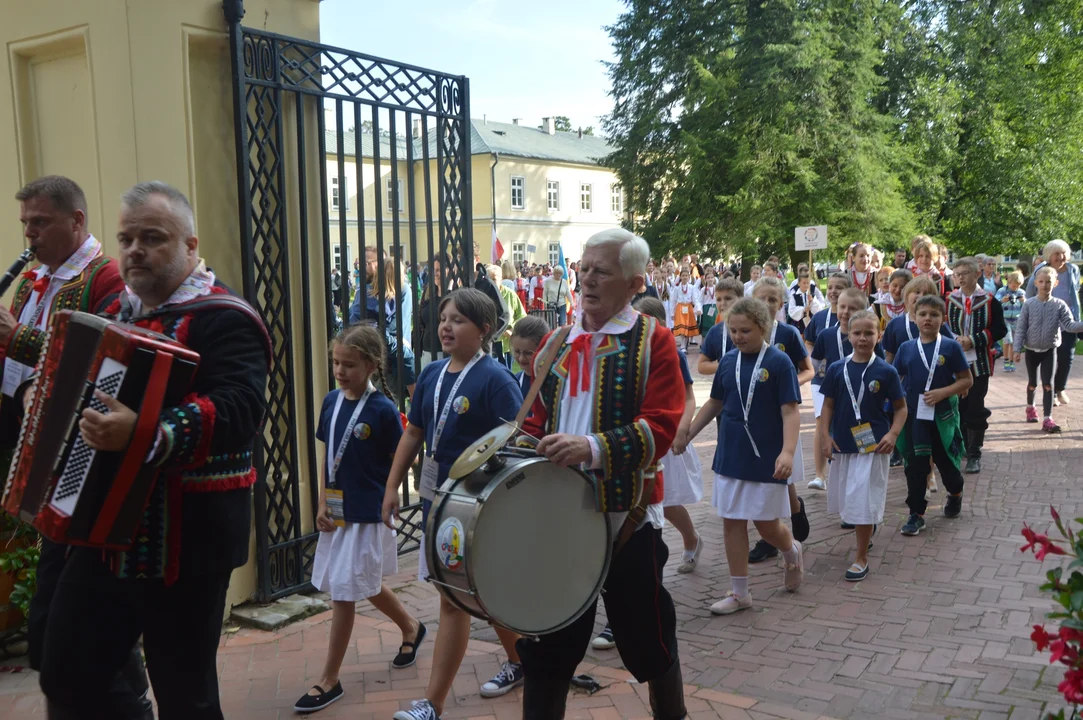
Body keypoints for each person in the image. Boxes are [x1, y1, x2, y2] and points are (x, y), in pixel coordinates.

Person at [37, 182, 270, 719]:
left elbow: (239, 410)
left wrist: (146, 433)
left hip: (188, 541)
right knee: (66, 670)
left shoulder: (227, 318)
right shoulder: (116, 311)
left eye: (152, 237)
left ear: (191, 246)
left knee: (186, 695)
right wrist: (39, 395)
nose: (134, 249)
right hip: (104, 528)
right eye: (125, 238)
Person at [516, 228, 686, 719]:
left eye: (601, 271)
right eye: (583, 268)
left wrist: (589, 448)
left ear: (634, 285)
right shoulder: (556, 341)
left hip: (626, 517)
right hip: (558, 520)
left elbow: (662, 427)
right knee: (548, 645)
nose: (587, 279)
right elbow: (534, 420)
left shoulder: (654, 341)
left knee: (647, 638)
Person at [0, 176, 144, 717]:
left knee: (78, 613)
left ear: (76, 221)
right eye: (26, 225)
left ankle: (126, 691)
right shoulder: (33, 279)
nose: (30, 235)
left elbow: (96, 356)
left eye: (40, 223)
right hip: (32, 446)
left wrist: (16, 337)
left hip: (79, 457)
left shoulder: (104, 276)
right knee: (59, 609)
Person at [382, 289, 526, 720]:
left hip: (476, 508)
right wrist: (393, 487)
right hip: (437, 504)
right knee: (473, 594)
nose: (446, 326)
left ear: (483, 330)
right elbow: (415, 433)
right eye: (444, 318)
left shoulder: (496, 379)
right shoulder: (430, 375)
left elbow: (515, 442)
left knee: (455, 598)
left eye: (458, 320)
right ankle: (523, 661)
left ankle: (433, 703)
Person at [295, 325, 424, 714]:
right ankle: (411, 627)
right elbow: (327, 457)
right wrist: (321, 502)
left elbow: (402, 458)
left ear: (370, 365)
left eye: (349, 364)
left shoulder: (383, 410)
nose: (339, 370)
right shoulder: (331, 402)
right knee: (359, 582)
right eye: (336, 362)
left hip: (367, 511)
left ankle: (329, 679)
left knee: (344, 590)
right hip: (336, 508)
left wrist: (390, 493)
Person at [687, 297, 805, 615]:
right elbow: (714, 403)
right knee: (732, 522)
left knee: (767, 526)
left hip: (767, 455)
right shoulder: (727, 361)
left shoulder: (779, 363)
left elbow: (791, 411)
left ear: (763, 328)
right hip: (731, 454)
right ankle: (740, 593)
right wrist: (687, 434)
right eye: (734, 330)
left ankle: (791, 549)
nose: (739, 337)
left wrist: (787, 452)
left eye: (746, 331)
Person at [818, 310, 906, 580]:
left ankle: (861, 558)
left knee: (863, 500)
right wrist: (825, 435)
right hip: (844, 443)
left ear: (879, 336)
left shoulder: (886, 371)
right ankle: (865, 532)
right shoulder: (836, 369)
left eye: (869, 333)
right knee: (850, 500)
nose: (863, 338)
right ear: (849, 336)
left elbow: (901, 409)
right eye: (857, 333)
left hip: (873, 445)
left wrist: (893, 434)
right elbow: (828, 406)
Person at [893, 295, 972, 535]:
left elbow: (966, 380)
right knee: (915, 466)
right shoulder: (906, 348)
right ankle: (916, 514)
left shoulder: (950, 346)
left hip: (942, 417)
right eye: (923, 314)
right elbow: (895, 379)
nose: (928, 318)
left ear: (943, 318)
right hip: (915, 418)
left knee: (948, 465)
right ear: (914, 318)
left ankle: (955, 493)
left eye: (934, 314)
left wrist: (943, 393)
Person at [634, 296, 703, 573]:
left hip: (667, 435)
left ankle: (691, 539)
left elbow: (689, 399)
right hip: (642, 433)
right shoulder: (634, 352)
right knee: (647, 499)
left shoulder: (673, 353)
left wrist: (681, 431)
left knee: (670, 500)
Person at [746, 277, 812, 562]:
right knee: (763, 473)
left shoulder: (788, 334)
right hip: (756, 416)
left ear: (781, 305)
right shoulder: (745, 335)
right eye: (762, 298)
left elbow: (807, 369)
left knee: (780, 472)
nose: (767, 304)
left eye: (773, 300)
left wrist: (790, 386)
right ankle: (770, 535)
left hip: (783, 414)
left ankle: (793, 509)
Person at [945, 257, 1006, 474]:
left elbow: (1000, 330)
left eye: (964, 273)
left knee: (975, 406)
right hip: (955, 363)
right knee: (957, 405)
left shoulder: (989, 301)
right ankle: (960, 446)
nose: (960, 277)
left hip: (979, 362)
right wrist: (954, 339)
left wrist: (974, 339)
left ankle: (974, 452)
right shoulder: (950, 299)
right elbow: (943, 326)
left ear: (976, 274)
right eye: (957, 273)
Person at [1013, 265, 1083, 433]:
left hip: (1050, 350)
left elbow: (1069, 325)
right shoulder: (1029, 304)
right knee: (1032, 383)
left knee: (1047, 384)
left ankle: (1047, 419)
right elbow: (1021, 327)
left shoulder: (1060, 305)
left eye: (1049, 282)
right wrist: (1017, 349)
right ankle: (1030, 408)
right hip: (1031, 350)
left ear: (1056, 283)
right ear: (1036, 283)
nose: (1045, 285)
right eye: (1042, 282)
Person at [805, 272, 853, 489]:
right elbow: (810, 343)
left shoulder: (856, 317)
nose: (833, 291)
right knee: (821, 421)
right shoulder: (820, 317)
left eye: (839, 287)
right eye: (830, 287)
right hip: (823, 380)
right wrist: (816, 365)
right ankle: (819, 475)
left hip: (852, 381)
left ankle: (848, 468)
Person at [350, 249, 416, 397]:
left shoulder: (369, 293)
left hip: (372, 357)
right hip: (380, 357)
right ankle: (414, 398)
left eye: (367, 263)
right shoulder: (370, 295)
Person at [1026, 239, 1080, 407]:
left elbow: (1075, 292)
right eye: (1057, 253)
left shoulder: (1073, 270)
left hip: (1067, 317)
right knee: (1049, 357)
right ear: (1049, 255)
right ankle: (1049, 391)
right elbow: (1029, 293)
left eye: (1063, 253)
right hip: (1046, 318)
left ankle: (1060, 388)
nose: (1061, 257)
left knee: (1067, 356)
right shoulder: (1040, 271)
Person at [698, 278, 745, 377]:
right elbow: (701, 366)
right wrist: (724, 365)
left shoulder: (753, 328)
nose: (722, 303)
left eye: (728, 298)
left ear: (741, 299)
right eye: (718, 299)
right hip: (725, 388)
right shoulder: (715, 331)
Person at [489, 264, 527, 369]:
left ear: (501, 279)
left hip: (507, 342)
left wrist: (512, 329)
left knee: (507, 371)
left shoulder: (510, 294)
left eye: (494, 279)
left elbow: (522, 315)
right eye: (489, 279)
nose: (491, 282)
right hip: (491, 341)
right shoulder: (484, 295)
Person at [509, 315, 550, 397]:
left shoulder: (555, 384)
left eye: (528, 353)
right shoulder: (514, 382)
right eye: (517, 351)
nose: (521, 358)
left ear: (544, 350)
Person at [996, 270, 1026, 373]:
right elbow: (996, 302)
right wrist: (1002, 300)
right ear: (1009, 282)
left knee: (1014, 341)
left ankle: (1011, 361)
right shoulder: (1002, 291)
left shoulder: (1021, 292)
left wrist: (1023, 301)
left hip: (1017, 319)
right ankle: (1006, 360)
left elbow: (1026, 307)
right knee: (1007, 340)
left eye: (1018, 286)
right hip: (1005, 319)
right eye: (1014, 286)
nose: (1016, 288)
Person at [670, 267, 701, 350]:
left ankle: (684, 345)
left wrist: (698, 308)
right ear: (680, 277)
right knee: (682, 328)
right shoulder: (677, 289)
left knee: (687, 328)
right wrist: (672, 313)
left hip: (688, 308)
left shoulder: (692, 287)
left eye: (686, 275)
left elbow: (695, 299)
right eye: (683, 275)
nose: (684, 277)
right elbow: (673, 301)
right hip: (680, 308)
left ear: (689, 277)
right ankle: (683, 345)